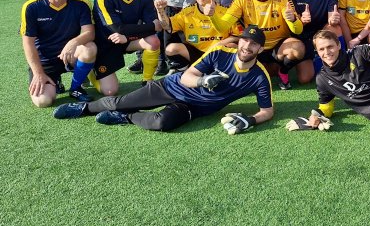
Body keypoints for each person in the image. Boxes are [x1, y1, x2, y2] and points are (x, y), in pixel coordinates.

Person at [53, 25, 274, 134]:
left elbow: (268, 111)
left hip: (192, 107)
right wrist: (202, 81)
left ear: (260, 48)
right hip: (172, 86)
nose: (247, 46)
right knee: (119, 101)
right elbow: (188, 75)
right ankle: (83, 108)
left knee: (161, 123)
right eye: (244, 41)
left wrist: (251, 120)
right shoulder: (220, 53)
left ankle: (127, 118)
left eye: (253, 44)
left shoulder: (259, 76)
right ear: (240, 41)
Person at [208, 0, 304, 90]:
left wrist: (292, 20)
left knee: (298, 48)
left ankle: (283, 71)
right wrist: (212, 15)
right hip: (254, 47)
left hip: (278, 48)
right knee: (223, 47)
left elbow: (298, 30)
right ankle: (239, 77)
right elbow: (222, 27)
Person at [21, 0, 97, 106]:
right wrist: (38, 73)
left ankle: (76, 88)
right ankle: (55, 81)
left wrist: (73, 42)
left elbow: (89, 33)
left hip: (69, 56)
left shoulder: (81, 4)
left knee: (89, 48)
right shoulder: (31, 7)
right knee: (43, 101)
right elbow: (28, 43)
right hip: (45, 62)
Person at [93, 0, 163, 93]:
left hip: (127, 40)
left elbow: (156, 27)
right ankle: (92, 71)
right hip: (106, 44)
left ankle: (147, 80)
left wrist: (127, 36)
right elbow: (116, 29)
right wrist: (150, 27)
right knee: (110, 91)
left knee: (153, 41)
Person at [155, 0, 236, 73]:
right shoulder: (187, 12)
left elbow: (238, 36)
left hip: (217, 52)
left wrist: (220, 44)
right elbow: (167, 26)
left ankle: (223, 71)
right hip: (196, 53)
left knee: (233, 46)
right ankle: (185, 70)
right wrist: (160, 11)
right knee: (171, 49)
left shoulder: (225, 12)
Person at [285, 0, 341, 85]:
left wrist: (334, 19)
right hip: (302, 36)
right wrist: (301, 19)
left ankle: (339, 66)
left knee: (335, 28)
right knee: (304, 79)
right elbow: (293, 22)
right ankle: (316, 59)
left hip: (321, 33)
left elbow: (331, 17)